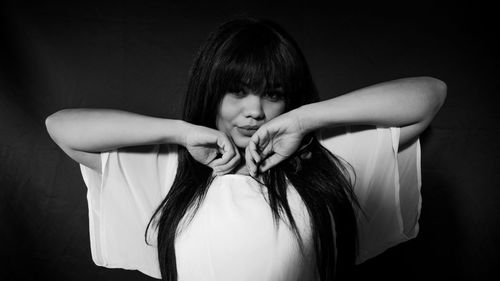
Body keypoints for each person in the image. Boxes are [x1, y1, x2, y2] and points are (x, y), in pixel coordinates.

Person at [45, 16, 446, 281]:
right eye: (237, 91)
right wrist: (181, 132)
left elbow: (430, 94)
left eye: (273, 94)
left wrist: (305, 119)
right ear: (211, 92)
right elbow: (62, 127)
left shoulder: (326, 164)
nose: (254, 110)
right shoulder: (170, 172)